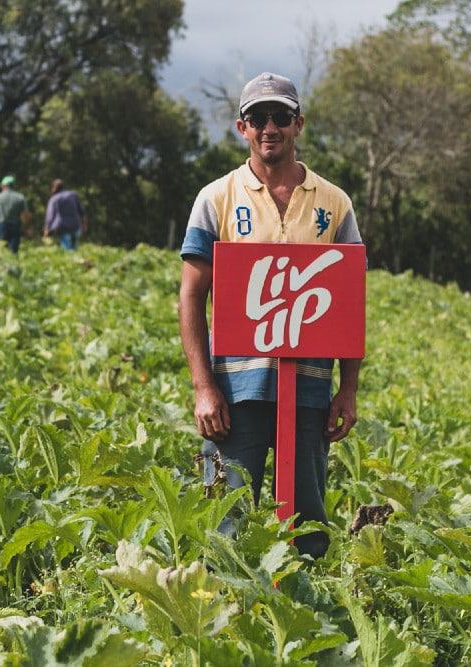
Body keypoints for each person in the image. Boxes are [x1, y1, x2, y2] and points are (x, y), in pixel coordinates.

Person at [177, 72, 364, 559]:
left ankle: (308, 620)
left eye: (280, 116)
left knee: (307, 527)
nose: (269, 127)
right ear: (242, 127)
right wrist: (202, 387)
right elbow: (192, 296)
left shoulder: (334, 203)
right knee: (225, 520)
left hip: (308, 389)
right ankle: (222, 623)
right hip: (234, 392)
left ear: (298, 124)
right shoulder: (215, 198)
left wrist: (347, 389)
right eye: (258, 117)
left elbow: (348, 301)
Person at [0, 175, 30, 254]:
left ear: (4, 185)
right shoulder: (20, 197)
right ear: (13, 185)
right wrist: (26, 228)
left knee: (2, 249)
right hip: (15, 226)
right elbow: (26, 215)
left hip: (2, 226)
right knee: (13, 251)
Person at [44, 179, 87, 250]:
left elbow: (50, 216)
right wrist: (84, 224)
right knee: (75, 248)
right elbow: (81, 211)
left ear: (54, 188)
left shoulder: (54, 199)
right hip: (76, 225)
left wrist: (47, 229)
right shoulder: (73, 195)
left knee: (66, 249)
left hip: (63, 226)